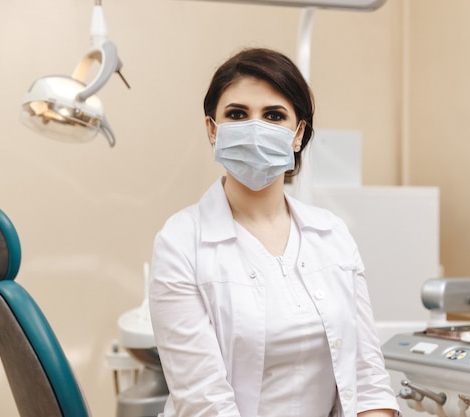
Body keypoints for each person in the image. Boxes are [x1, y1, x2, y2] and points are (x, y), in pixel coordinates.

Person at [148, 47, 400, 417]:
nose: (255, 129)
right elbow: (206, 404)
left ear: (298, 134)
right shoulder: (181, 242)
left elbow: (369, 383)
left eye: (274, 115)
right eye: (237, 114)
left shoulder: (332, 235)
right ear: (212, 130)